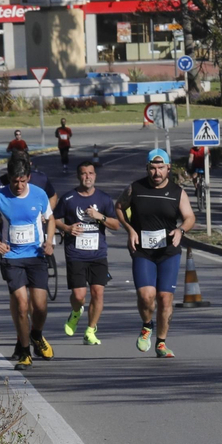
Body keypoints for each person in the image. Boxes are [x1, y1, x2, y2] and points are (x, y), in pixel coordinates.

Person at [116, 148, 196, 358]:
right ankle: (146, 325)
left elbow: (189, 217)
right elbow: (119, 207)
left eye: (161, 168)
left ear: (168, 168)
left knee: (164, 298)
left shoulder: (178, 192)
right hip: (142, 250)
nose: (157, 172)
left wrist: (181, 230)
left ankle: (161, 343)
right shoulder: (135, 188)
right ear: (147, 168)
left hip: (168, 251)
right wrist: (130, 229)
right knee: (146, 296)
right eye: (153, 168)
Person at [0, 157, 56, 367]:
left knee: (40, 307)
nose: (19, 185)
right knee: (22, 304)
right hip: (12, 258)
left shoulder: (39, 194)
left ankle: (36, 334)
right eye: (15, 181)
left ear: (29, 178)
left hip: (36, 256)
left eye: (23, 181)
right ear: (9, 178)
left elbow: (50, 219)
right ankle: (25, 352)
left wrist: (49, 242)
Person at [56, 160, 121, 345]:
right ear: (78, 176)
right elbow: (53, 219)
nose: (87, 177)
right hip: (75, 253)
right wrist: (67, 228)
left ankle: (91, 330)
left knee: (98, 292)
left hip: (98, 254)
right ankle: (76, 312)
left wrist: (99, 216)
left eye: (91, 173)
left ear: (95, 175)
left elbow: (116, 225)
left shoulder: (104, 199)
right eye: (84, 173)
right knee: (79, 295)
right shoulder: (69, 199)